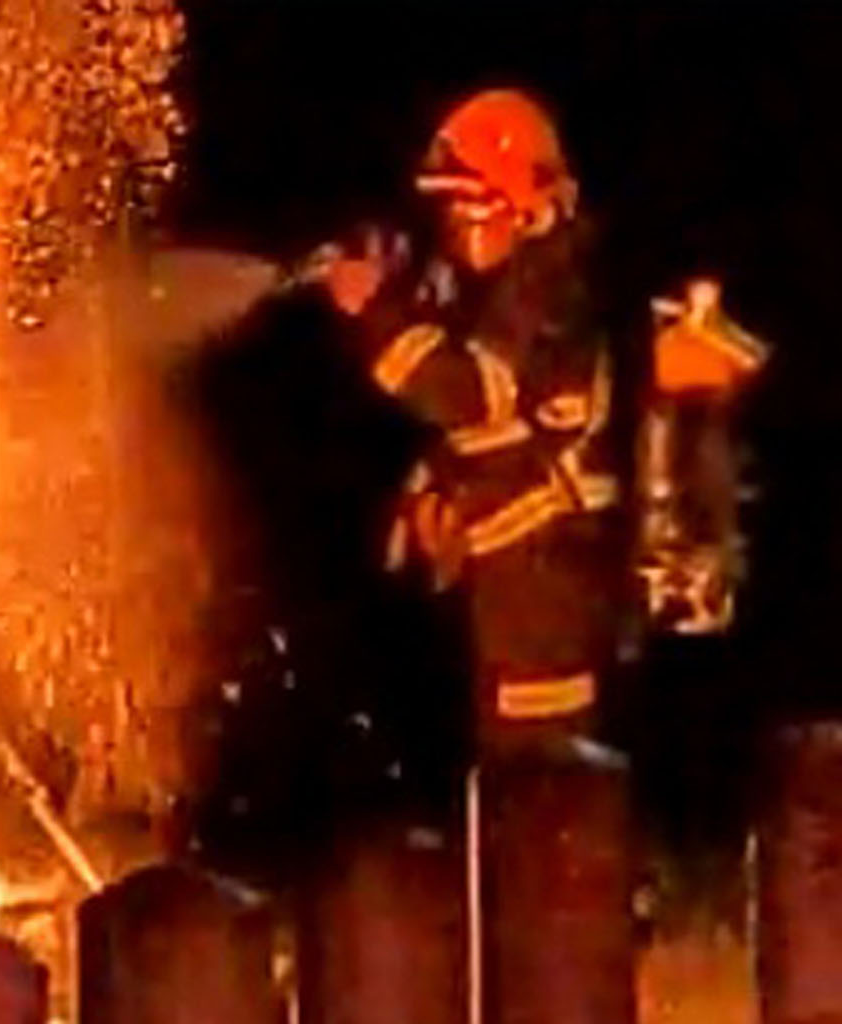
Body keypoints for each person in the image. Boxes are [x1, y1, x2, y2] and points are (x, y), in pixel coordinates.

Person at [303, 88, 764, 1023]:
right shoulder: (513, 286)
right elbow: (479, 435)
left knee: (545, 803)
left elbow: (470, 391)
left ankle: (559, 986)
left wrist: (376, 318)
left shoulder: (547, 289)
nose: (456, 227)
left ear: (527, 204)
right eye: (447, 209)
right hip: (514, 592)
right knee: (506, 806)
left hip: (552, 594)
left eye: (470, 207)